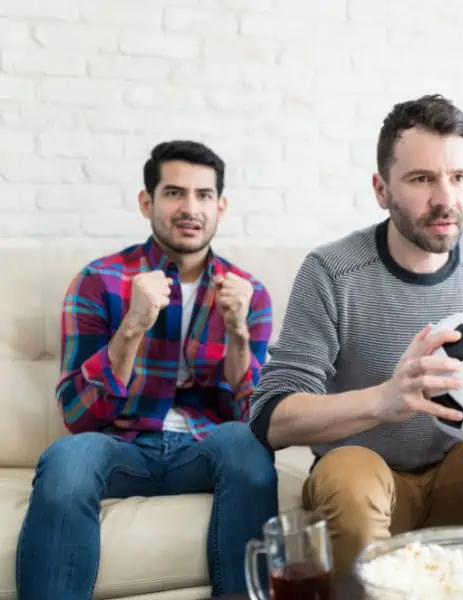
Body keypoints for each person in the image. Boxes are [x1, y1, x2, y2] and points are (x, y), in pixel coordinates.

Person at [249, 95, 463, 574]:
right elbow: (271, 418)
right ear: (381, 189)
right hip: (370, 480)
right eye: (422, 179)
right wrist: (384, 400)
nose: (446, 199)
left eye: (458, 178)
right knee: (349, 477)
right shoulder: (332, 271)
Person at [16, 140, 278, 600]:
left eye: (202, 196)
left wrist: (238, 334)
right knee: (66, 458)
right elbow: (78, 416)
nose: (189, 208)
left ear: (221, 206)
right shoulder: (99, 280)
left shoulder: (247, 292)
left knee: (246, 447)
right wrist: (132, 326)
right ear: (147, 201)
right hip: (121, 446)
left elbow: (251, 419)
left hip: (204, 448)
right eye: (174, 193)